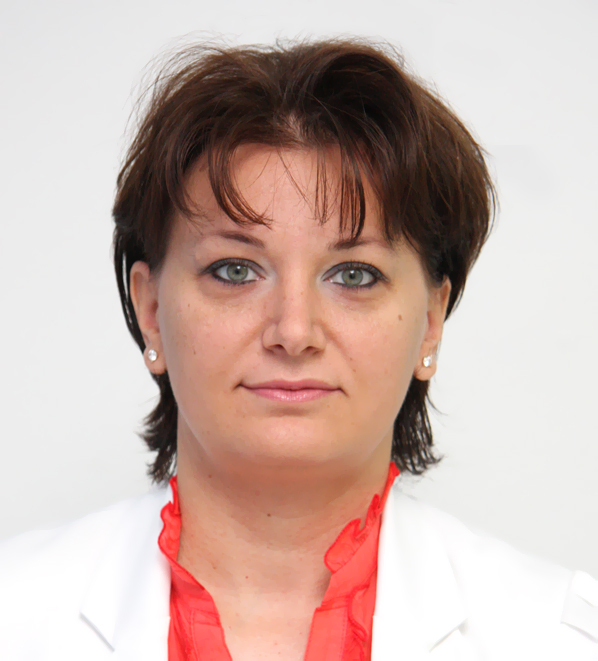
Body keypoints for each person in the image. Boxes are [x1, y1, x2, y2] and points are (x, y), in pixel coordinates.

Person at [0, 37, 596, 661]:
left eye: (354, 275)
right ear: (151, 312)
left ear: (430, 322)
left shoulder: (562, 640)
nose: (293, 331)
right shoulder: (16, 615)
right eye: (234, 270)